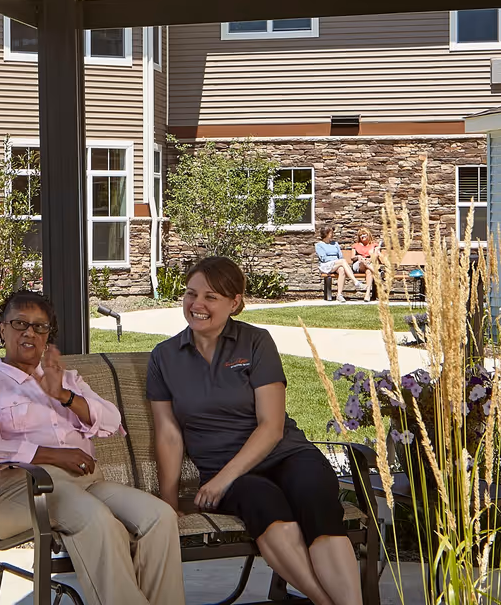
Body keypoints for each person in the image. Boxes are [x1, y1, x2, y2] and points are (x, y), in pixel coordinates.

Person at [147, 257, 363, 605]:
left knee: (315, 498)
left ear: (234, 302)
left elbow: (272, 427)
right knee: (264, 503)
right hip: (226, 469)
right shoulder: (164, 357)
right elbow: (168, 434)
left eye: (211, 297)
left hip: (286, 454)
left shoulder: (256, 342)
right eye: (190, 294)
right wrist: (169, 502)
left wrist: (220, 481)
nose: (196, 305)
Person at [0, 291, 182, 605]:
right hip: (18, 491)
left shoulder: (67, 380)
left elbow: (112, 421)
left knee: (159, 517)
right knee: (98, 520)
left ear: (49, 335)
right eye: (20, 323)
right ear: (2, 329)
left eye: (40, 327)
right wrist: (53, 455)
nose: (29, 332)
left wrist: (64, 395)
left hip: (88, 483)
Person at [313, 227, 346, 302]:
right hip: (326, 266)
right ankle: (355, 281)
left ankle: (339, 295)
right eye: (331, 232)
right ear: (326, 234)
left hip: (336, 265)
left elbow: (340, 256)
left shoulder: (335, 244)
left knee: (342, 269)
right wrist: (335, 261)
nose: (332, 234)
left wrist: (337, 261)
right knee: (343, 262)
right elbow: (323, 258)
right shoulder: (319, 245)